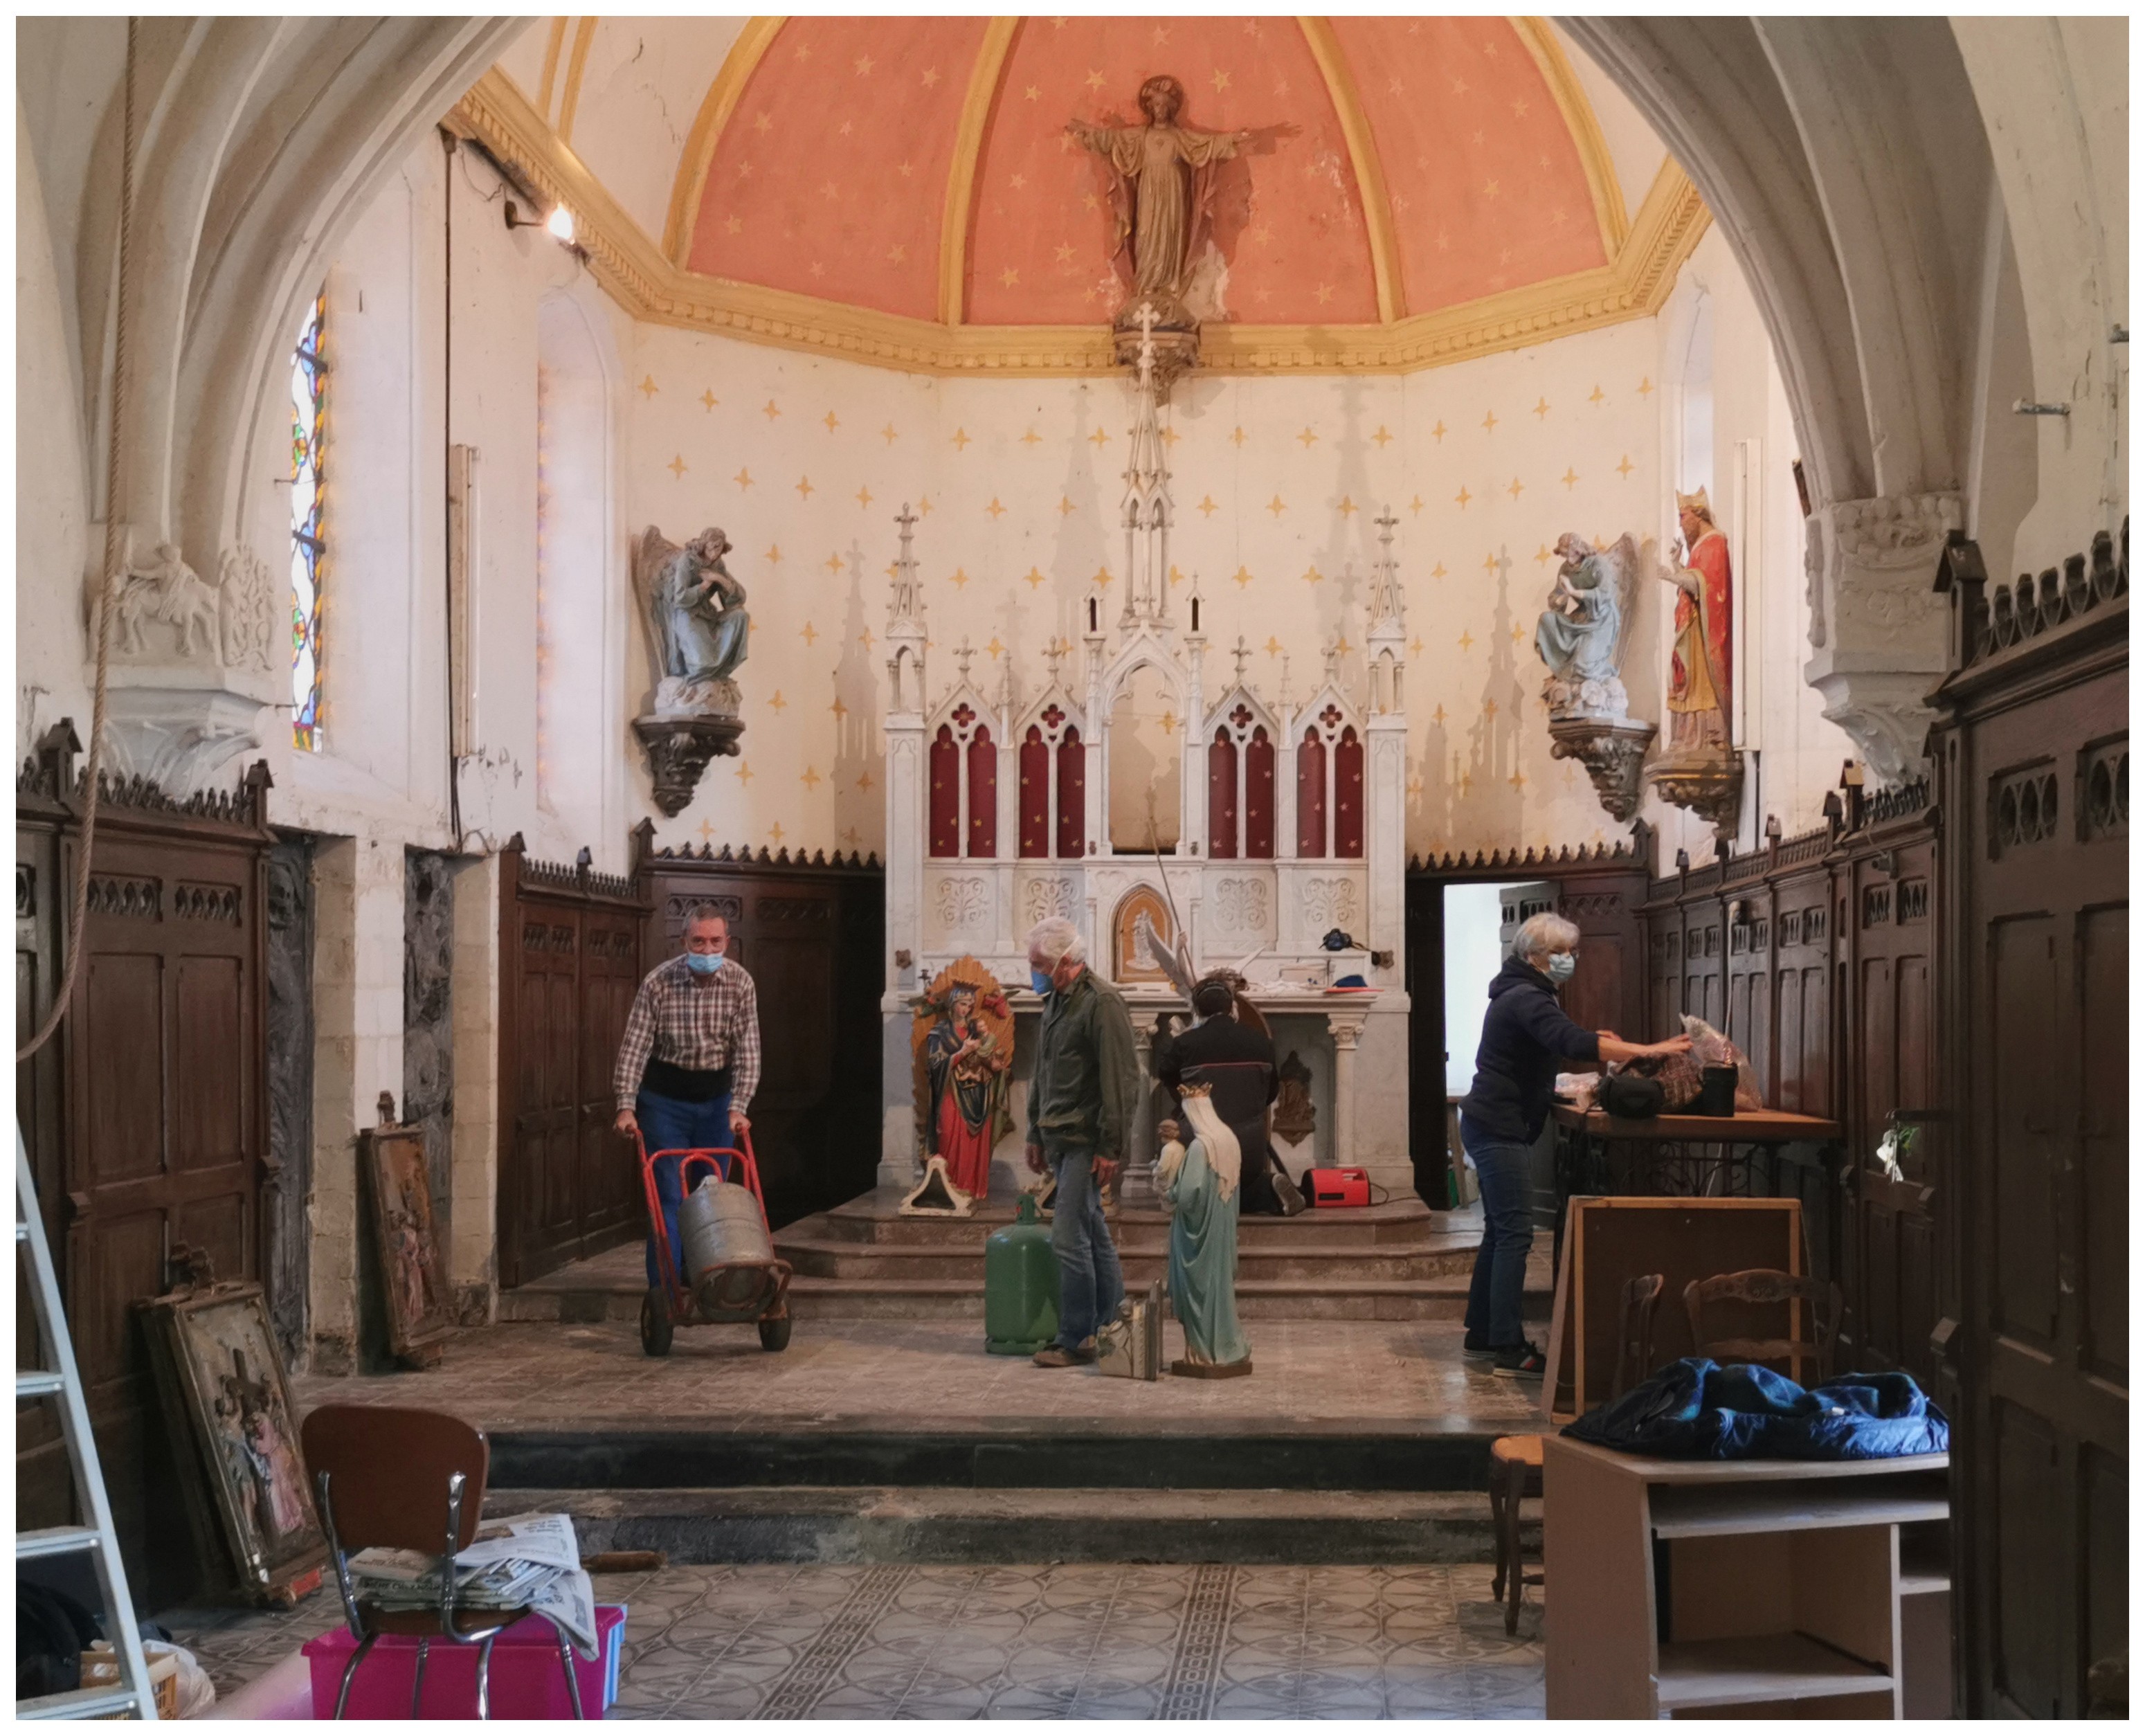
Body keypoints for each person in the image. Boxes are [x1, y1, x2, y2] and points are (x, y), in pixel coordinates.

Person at [1458, 912, 1690, 1379]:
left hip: (1491, 1122)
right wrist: (1650, 1051)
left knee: (1500, 1233)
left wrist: (1604, 1042)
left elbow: (1556, 1040)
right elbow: (1569, 1040)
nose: (1570, 960)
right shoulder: (1527, 995)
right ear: (1533, 956)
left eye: (1572, 952)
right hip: (1498, 1127)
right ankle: (1505, 1345)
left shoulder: (1523, 991)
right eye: (1560, 953)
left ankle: (1482, 1335)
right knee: (1515, 1235)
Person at [614, 905, 761, 1291]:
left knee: (713, 1195)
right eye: (699, 941)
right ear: (684, 942)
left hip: (716, 1104)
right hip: (665, 1102)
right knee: (667, 1195)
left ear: (727, 942)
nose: (708, 949)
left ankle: (709, 1281)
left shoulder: (740, 983)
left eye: (715, 941)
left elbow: (748, 1051)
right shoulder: (659, 983)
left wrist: (738, 1108)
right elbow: (635, 1048)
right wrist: (626, 1106)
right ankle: (664, 1287)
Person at [1022, 916, 1140, 1368]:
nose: (1033, 971)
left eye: (1039, 964)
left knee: (1068, 1239)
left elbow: (1121, 1078)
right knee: (1093, 1235)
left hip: (1086, 1138)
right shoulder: (1055, 999)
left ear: (1066, 961)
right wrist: (1035, 1130)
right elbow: (1044, 1071)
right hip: (1058, 1133)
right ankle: (1111, 1328)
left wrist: (1112, 1146)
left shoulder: (1101, 1003)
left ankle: (1076, 1337)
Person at [1155, 977, 1284, 1214]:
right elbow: (1271, 1093)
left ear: (1197, 1010)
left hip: (1201, 1147)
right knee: (1240, 1185)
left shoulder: (1185, 1043)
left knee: (1192, 1177)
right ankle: (1263, 1192)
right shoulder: (1261, 1042)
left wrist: (1191, 1105)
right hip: (1250, 1149)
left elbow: (1169, 1079)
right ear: (1231, 1007)